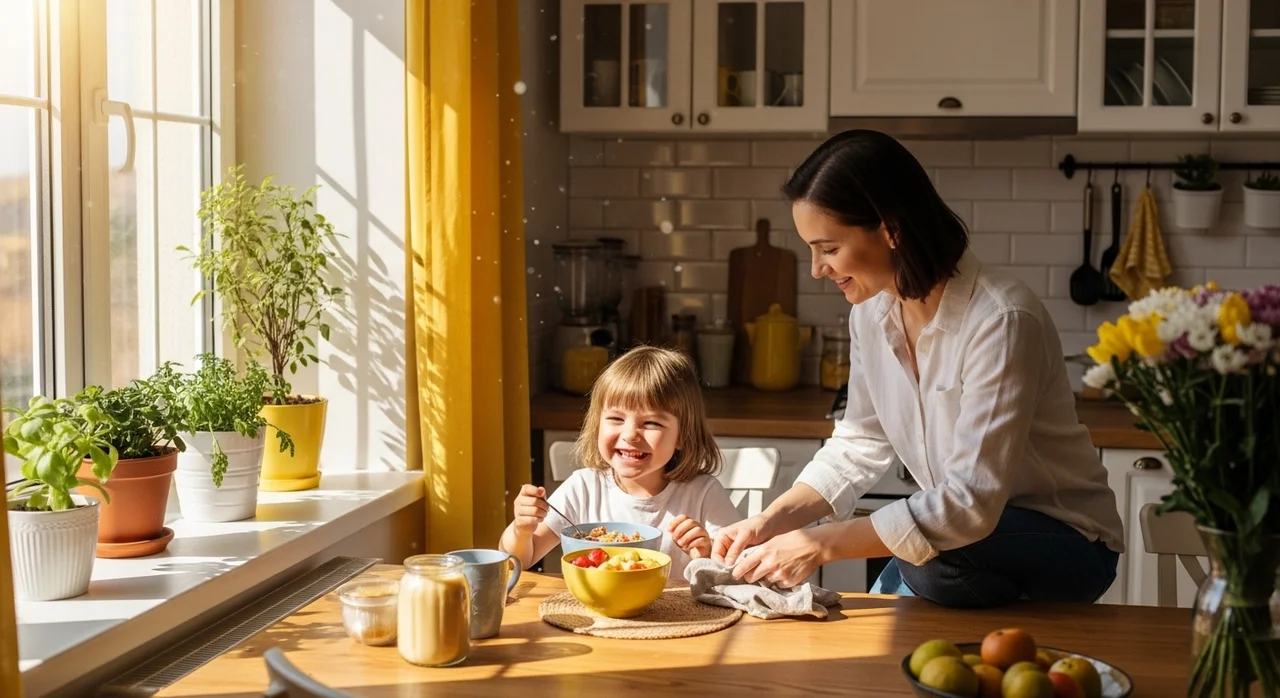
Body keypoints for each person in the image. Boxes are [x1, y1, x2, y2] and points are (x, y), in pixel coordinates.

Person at [712, 130, 1124, 609]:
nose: (816, 269)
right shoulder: (870, 312)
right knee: (925, 557)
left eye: (828, 248)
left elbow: (970, 503)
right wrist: (773, 521)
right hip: (969, 547)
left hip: (1068, 542)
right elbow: (859, 443)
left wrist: (820, 543)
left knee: (922, 558)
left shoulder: (1001, 319)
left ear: (891, 230)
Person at [500, 346, 742, 579]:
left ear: (683, 435)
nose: (630, 434)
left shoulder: (703, 494)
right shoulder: (583, 488)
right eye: (616, 419)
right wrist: (522, 529)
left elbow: (740, 569)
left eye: (651, 423)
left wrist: (706, 556)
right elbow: (517, 561)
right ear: (598, 425)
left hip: (676, 618)